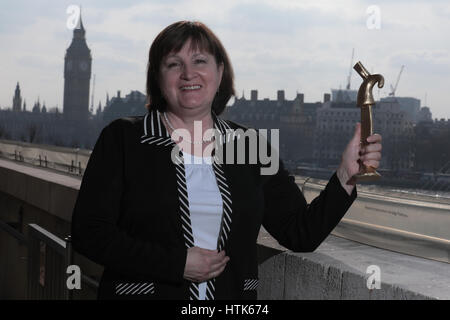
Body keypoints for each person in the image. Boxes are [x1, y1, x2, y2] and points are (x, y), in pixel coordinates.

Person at [71, 21, 382, 300]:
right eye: (174, 64)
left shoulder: (250, 146)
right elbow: (90, 233)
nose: (188, 74)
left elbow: (300, 232)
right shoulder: (123, 139)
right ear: (158, 76)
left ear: (220, 73)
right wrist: (176, 264)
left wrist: (346, 175)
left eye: (200, 61)